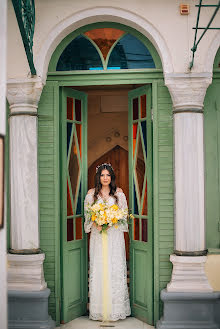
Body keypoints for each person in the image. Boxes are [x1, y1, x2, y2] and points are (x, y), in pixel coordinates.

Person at [84, 163, 131, 322]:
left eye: (108, 175)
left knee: (114, 267)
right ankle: (99, 309)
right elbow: (88, 215)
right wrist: (95, 222)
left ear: (112, 177)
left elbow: (124, 215)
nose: (105, 178)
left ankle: (116, 309)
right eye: (102, 175)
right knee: (100, 267)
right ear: (98, 177)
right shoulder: (91, 194)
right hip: (98, 236)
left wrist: (112, 220)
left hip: (114, 236)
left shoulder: (119, 194)